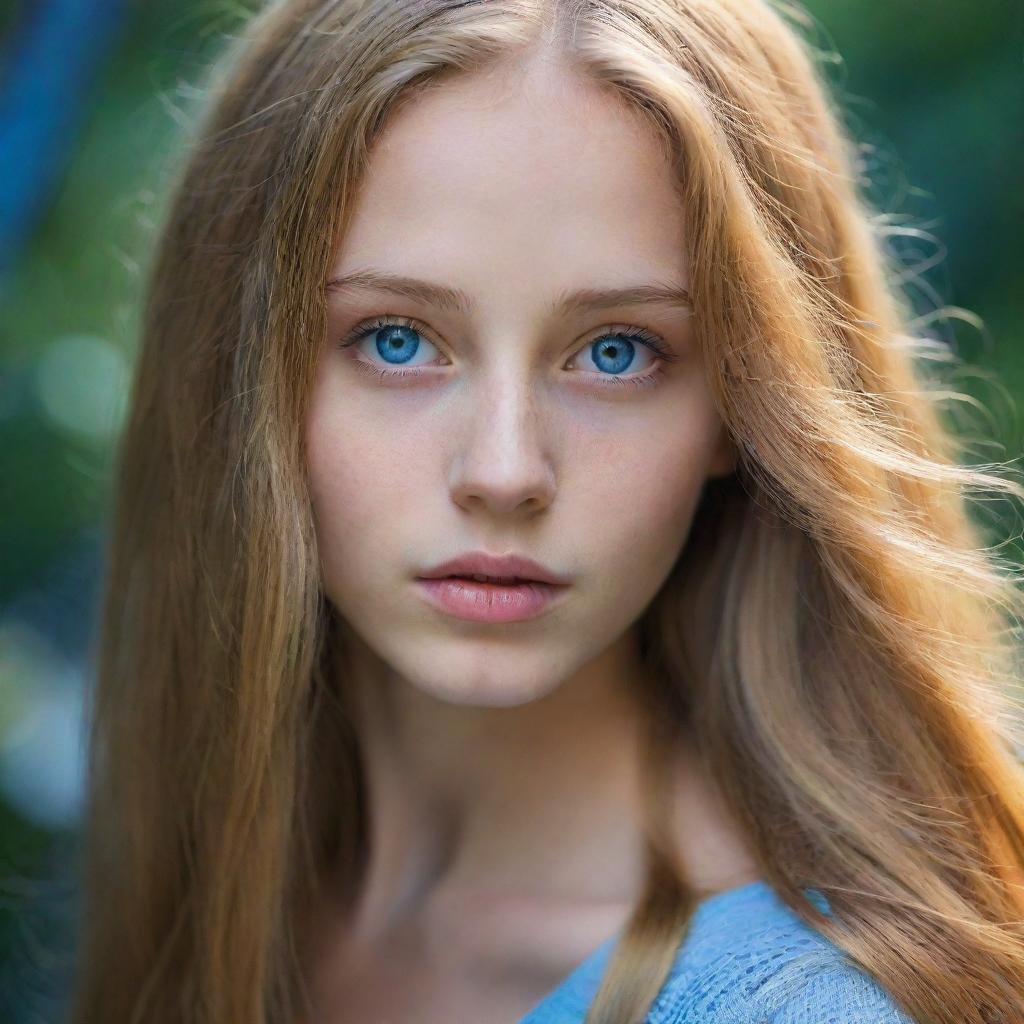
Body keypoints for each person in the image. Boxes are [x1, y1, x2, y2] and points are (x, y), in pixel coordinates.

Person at [69, 2, 1024, 1023]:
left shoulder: (803, 1005)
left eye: (617, 351)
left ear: (742, 412)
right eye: (396, 339)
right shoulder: (213, 876)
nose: (505, 469)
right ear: (235, 372)